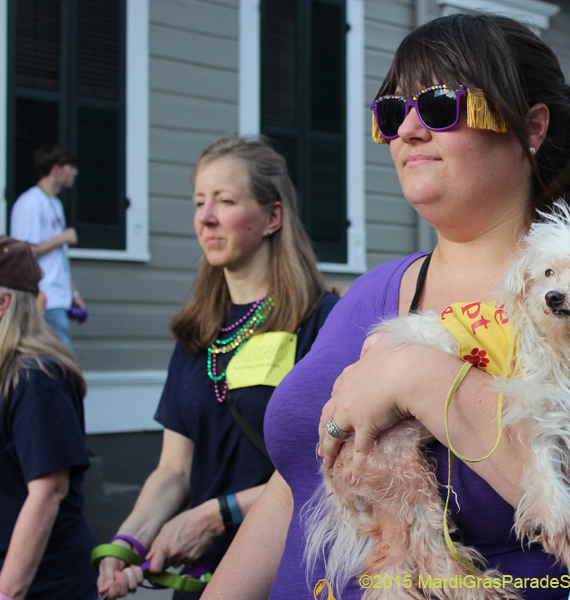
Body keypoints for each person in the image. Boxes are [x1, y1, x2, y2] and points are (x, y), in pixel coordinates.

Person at [205, 14, 570, 600]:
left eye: (441, 105)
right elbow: (296, 485)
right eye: (392, 114)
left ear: (531, 126)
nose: (409, 130)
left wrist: (417, 376)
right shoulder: (371, 294)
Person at [96, 136, 339, 599]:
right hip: (201, 577)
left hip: (292, 572)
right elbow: (174, 470)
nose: (205, 217)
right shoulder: (197, 334)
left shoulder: (322, 322)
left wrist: (216, 514)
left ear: (272, 217)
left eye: (225, 201)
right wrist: (128, 542)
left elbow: (332, 465)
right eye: (199, 202)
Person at [0, 236, 98, 600]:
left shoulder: (36, 377)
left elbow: (48, 492)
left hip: (48, 584)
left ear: (3, 302)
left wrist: (8, 592)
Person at [9, 144, 87, 350]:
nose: (75, 173)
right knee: (63, 358)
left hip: (59, 297)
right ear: (56, 169)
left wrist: (74, 295)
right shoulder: (30, 202)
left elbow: (57, 259)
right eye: (71, 167)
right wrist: (62, 237)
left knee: (55, 359)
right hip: (43, 297)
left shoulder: (55, 204)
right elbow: (23, 251)